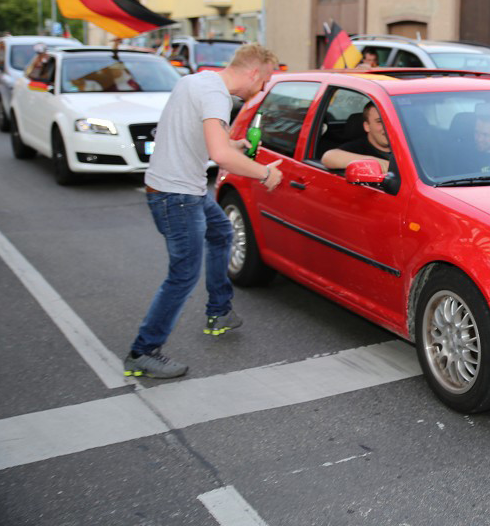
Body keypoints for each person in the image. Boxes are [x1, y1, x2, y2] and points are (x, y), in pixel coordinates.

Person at [125, 43, 283, 379]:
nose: (264, 88)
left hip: (178, 190)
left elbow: (213, 142)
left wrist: (233, 144)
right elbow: (221, 156)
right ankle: (143, 351)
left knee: (221, 232)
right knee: (182, 275)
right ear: (254, 72)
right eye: (265, 80)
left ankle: (219, 311)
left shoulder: (196, 81)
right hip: (177, 196)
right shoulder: (217, 96)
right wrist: (266, 173)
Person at [321, 102, 392, 171]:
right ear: (367, 126)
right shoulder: (356, 149)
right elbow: (328, 157)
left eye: (391, 121)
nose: (387, 127)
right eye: (380, 122)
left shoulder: (402, 142)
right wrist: (376, 163)